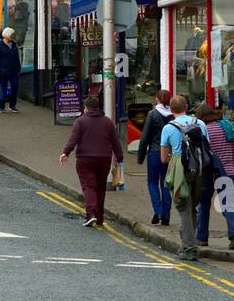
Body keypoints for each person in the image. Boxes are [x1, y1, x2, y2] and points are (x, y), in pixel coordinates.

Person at [60, 96, 124, 229]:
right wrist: (120, 157)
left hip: (85, 159)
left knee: (89, 187)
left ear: (86, 108)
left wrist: (66, 152)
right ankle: (100, 218)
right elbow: (115, 141)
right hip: (104, 159)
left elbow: (73, 139)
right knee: (100, 188)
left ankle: (90, 214)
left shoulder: (80, 121)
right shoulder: (108, 122)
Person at [161, 96, 208, 261]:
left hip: (179, 168)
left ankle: (189, 249)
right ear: (186, 107)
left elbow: (163, 159)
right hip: (200, 169)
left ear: (171, 110)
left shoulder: (168, 128)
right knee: (192, 208)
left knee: (184, 208)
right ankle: (190, 243)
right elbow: (207, 148)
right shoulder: (200, 124)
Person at [198, 103, 234, 250]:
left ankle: (201, 237)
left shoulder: (203, 130)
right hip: (228, 171)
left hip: (208, 173)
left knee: (204, 204)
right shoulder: (226, 126)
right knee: (228, 205)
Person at [136, 90, 174, 226]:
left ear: (157, 99)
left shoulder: (152, 114)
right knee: (166, 184)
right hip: (169, 153)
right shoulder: (173, 114)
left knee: (152, 182)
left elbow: (145, 137)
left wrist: (140, 157)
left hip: (154, 152)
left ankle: (157, 211)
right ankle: (166, 216)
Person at [0, 27, 22, 114]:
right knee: (3, 89)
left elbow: (17, 57)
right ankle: (1, 107)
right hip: (3, 71)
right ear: (7, 35)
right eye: (12, 34)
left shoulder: (14, 45)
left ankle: (12, 106)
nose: (14, 36)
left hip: (14, 71)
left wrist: (18, 68)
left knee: (15, 87)